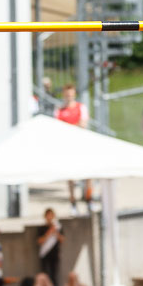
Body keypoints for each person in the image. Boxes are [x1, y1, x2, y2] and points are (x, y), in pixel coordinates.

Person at [55, 84, 91, 214]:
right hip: (67, 147)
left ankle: (89, 200)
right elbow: (57, 126)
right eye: (67, 94)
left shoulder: (81, 108)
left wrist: (68, 127)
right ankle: (73, 202)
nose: (69, 96)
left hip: (81, 145)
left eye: (71, 94)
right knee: (70, 176)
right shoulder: (60, 109)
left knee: (88, 174)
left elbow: (83, 124)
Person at [37, 208, 63, 286]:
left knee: (54, 276)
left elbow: (62, 239)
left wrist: (55, 232)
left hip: (54, 255)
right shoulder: (41, 228)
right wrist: (49, 232)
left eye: (51, 215)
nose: (50, 217)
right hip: (45, 255)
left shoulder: (58, 227)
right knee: (44, 275)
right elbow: (39, 241)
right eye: (48, 215)